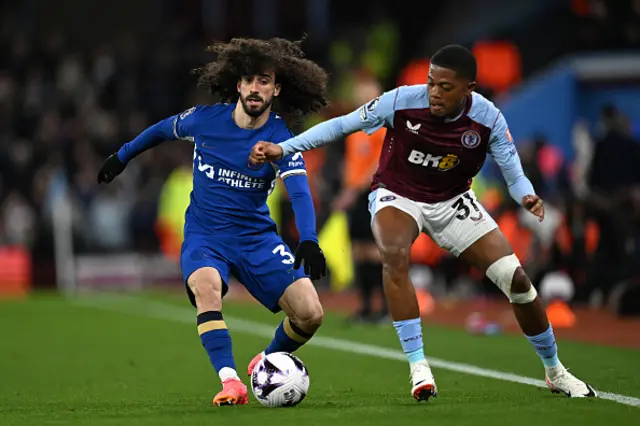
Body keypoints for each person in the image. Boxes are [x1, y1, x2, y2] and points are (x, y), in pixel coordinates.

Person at [249, 45, 597, 401]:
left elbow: (513, 171)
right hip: (397, 195)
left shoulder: (488, 118)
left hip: (452, 201)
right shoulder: (401, 101)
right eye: (431, 83)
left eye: (445, 87)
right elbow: (342, 125)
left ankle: (555, 370)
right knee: (394, 254)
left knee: (518, 281)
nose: (434, 92)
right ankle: (419, 367)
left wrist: (527, 195)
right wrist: (286, 148)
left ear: (469, 89)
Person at [97, 37, 329, 406]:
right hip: (207, 236)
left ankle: (265, 360)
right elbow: (159, 130)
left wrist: (310, 239)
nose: (255, 88)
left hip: (257, 238)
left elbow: (299, 192)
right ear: (238, 85)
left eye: (264, 81)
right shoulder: (204, 120)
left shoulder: (280, 138)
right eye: (249, 80)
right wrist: (122, 156)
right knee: (207, 289)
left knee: (311, 314)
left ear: (276, 89)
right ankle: (231, 381)